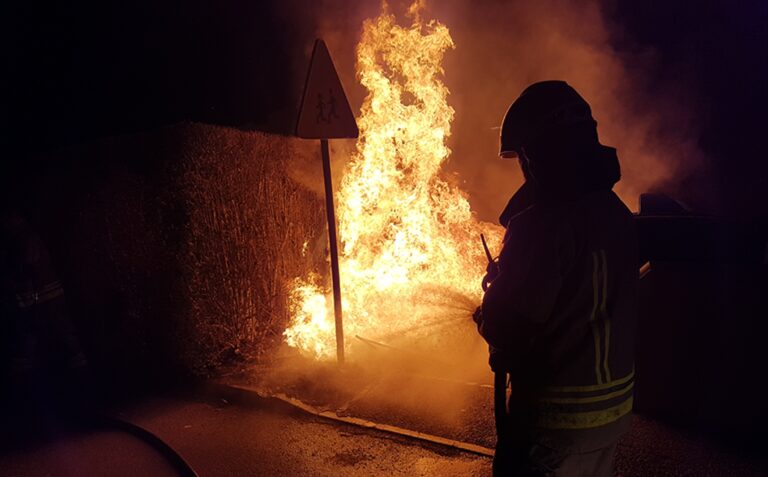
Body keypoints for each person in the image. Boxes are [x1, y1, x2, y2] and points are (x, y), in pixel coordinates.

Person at [474, 80, 638, 476]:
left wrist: (490, 304)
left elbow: (508, 325)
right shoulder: (617, 214)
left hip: (554, 427)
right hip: (610, 418)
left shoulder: (541, 225)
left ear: (537, 154)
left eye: (524, 157)